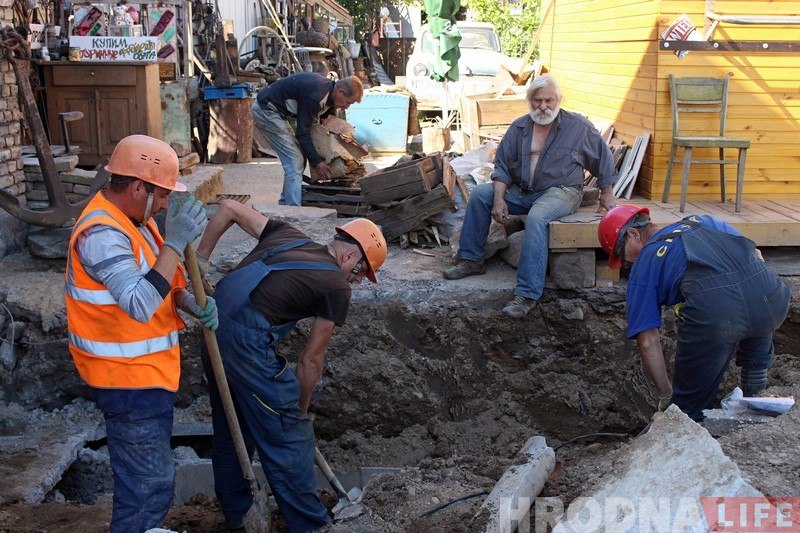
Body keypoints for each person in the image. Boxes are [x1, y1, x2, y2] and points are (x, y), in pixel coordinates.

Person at [194, 199, 387, 532]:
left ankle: (238, 516)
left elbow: (228, 208)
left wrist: (201, 259)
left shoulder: (287, 234)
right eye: (359, 273)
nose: (355, 281)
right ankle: (311, 525)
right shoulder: (337, 287)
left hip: (212, 327)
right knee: (290, 434)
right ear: (350, 256)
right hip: (245, 343)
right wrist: (300, 408)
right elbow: (311, 359)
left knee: (232, 427)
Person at [64, 134, 218, 533]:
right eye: (162, 194)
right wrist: (177, 240)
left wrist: (189, 302)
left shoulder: (136, 222)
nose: (166, 203)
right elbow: (139, 303)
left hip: (147, 376)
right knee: (147, 486)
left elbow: (160, 280)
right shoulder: (102, 234)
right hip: (124, 379)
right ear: (138, 187)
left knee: (151, 482)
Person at [443, 74, 619, 318]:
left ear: (558, 100)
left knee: (537, 217)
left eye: (549, 100)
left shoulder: (578, 127)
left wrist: (606, 193)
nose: (543, 106)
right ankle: (472, 260)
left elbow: (603, 158)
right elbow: (502, 168)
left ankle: (527, 294)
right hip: (525, 190)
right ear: (529, 100)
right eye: (538, 100)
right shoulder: (519, 128)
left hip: (563, 191)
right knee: (481, 194)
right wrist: (499, 199)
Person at [598, 204, 791, 421]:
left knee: (688, 411)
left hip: (718, 313)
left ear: (633, 234)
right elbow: (755, 254)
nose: (627, 263)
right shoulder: (703, 221)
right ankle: (756, 402)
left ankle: (693, 424)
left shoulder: (646, 260)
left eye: (622, 256)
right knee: (755, 304)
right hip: (772, 295)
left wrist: (667, 395)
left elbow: (647, 342)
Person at [252, 73, 364, 206]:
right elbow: (302, 133)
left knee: (297, 159)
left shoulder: (329, 93)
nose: (346, 107)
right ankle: (293, 211)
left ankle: (285, 204)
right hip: (266, 110)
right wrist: (318, 163)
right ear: (340, 91)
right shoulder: (315, 96)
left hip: (277, 111)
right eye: (348, 102)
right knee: (295, 160)